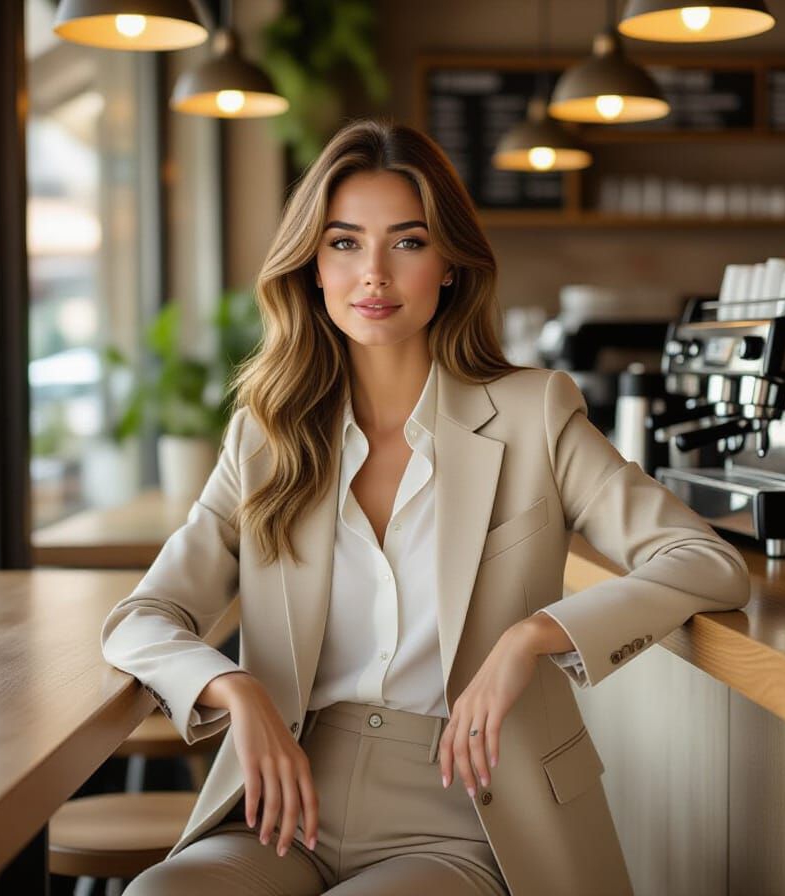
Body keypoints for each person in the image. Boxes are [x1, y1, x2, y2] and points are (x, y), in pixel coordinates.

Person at [103, 119, 750, 896]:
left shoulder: (533, 414)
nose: (373, 274)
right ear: (312, 266)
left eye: (407, 242)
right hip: (285, 802)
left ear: (448, 266)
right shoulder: (265, 439)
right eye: (345, 243)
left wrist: (532, 637)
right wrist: (237, 691)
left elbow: (705, 560)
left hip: (466, 810)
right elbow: (143, 618)